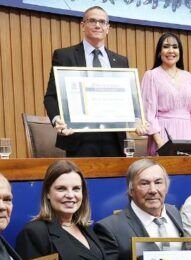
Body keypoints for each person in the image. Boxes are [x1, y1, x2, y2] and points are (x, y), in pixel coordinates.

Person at [44, 7, 129, 157]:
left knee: (114, 180)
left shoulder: (121, 61)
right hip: (79, 136)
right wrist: (58, 120)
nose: (98, 25)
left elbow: (127, 98)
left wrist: (135, 119)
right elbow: (51, 96)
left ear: (108, 28)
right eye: (92, 21)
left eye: (102, 22)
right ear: (82, 25)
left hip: (113, 138)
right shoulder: (64, 56)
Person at [142, 32, 191, 155]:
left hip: (188, 136)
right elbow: (148, 113)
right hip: (163, 136)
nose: (171, 51)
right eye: (166, 47)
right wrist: (160, 144)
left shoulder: (189, 77)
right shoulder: (151, 76)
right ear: (159, 52)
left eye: (175, 47)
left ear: (180, 52)